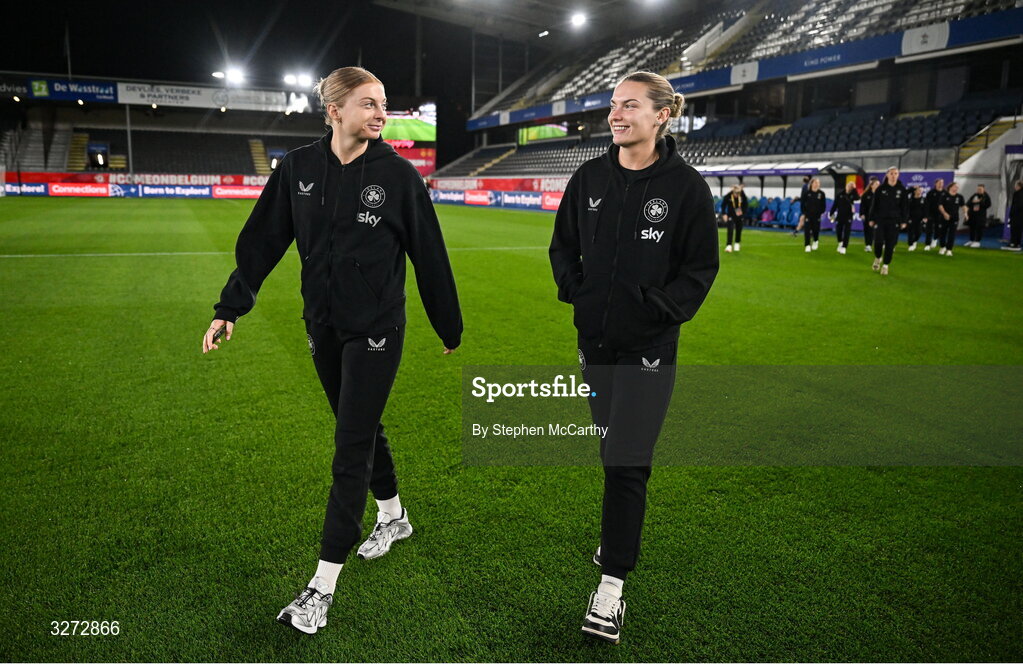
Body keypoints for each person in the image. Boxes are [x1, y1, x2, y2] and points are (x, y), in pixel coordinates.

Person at [201, 66, 462, 635]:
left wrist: (448, 325)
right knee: (361, 427)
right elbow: (261, 243)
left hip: (377, 329)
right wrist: (229, 308)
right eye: (368, 103)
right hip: (321, 326)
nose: (380, 113)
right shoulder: (298, 170)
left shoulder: (397, 177)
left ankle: (321, 586)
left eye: (384, 103)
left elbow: (430, 255)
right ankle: (394, 518)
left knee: (349, 448)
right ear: (334, 109)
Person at [549, 70, 718, 645]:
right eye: (613, 106)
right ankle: (618, 539)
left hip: (648, 348)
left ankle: (612, 586)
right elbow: (561, 244)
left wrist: (659, 308)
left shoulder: (687, 189)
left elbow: (700, 269)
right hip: (594, 343)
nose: (616, 115)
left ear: (662, 115)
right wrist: (578, 290)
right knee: (610, 449)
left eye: (629, 106)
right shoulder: (590, 176)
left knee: (626, 460)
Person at [866, 166, 909, 276]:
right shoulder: (880, 189)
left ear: (898, 175)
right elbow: (874, 205)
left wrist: (904, 221)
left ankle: (885, 265)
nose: (893, 176)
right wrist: (871, 218)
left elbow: (905, 207)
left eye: (895, 173)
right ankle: (878, 257)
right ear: (887, 175)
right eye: (891, 173)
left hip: (894, 221)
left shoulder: (902, 190)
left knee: (890, 244)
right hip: (880, 220)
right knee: (878, 242)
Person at [938, 181, 966, 257]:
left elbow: (963, 206)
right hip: (944, 218)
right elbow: (940, 206)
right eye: (955, 187)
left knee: (952, 234)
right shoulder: (944, 195)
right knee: (942, 233)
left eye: (957, 187)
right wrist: (944, 213)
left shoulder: (959, 197)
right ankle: (942, 247)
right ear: (951, 187)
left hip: (954, 218)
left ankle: (949, 249)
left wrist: (966, 213)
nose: (956, 188)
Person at [829, 181, 858, 254]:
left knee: (847, 232)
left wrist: (854, 189)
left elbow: (858, 197)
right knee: (838, 230)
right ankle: (840, 242)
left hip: (848, 216)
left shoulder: (852, 195)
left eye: (851, 186)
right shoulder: (840, 194)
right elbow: (835, 205)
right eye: (849, 185)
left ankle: (844, 246)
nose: (850, 187)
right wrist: (831, 214)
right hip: (840, 215)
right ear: (846, 186)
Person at [799, 177, 827, 252]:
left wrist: (821, 212)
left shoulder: (821, 194)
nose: (817, 184)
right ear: (811, 183)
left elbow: (823, 205)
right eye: (815, 183)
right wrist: (804, 213)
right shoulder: (807, 193)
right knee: (807, 230)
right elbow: (802, 204)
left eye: (818, 183)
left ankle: (815, 241)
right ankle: (807, 245)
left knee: (816, 230)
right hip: (808, 215)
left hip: (817, 216)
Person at [722, 184, 748, 253]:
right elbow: (723, 205)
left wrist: (743, 213)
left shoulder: (742, 195)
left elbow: (746, 204)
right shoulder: (728, 196)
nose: (737, 194)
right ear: (733, 191)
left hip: (740, 215)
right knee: (730, 229)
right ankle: (729, 245)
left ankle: (737, 243)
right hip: (731, 215)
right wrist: (724, 214)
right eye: (735, 193)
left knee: (739, 229)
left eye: (738, 193)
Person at [923, 178, 945, 251]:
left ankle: (935, 239)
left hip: (941, 215)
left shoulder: (945, 193)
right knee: (929, 230)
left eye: (942, 183)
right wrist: (926, 215)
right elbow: (926, 204)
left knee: (939, 229)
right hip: (931, 214)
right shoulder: (931, 192)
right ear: (935, 184)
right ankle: (927, 244)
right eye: (939, 183)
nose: (940, 184)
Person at [859, 176, 880, 252]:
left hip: (878, 216)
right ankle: (868, 245)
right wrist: (862, 214)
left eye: (878, 184)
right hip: (868, 215)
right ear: (872, 185)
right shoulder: (866, 194)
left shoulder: (881, 194)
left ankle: (881, 244)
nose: (878, 185)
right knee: (868, 230)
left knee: (879, 231)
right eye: (876, 184)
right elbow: (862, 205)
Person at [1006, 180, 1023, 251]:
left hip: (1017, 215)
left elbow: (1018, 205)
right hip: (1019, 215)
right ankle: (1016, 243)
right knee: (1017, 229)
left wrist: (1012, 213)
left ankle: (1015, 243)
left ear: (1018, 186)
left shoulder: (1018, 193)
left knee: (1015, 229)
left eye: (1015, 185)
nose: (1015, 187)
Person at [906, 186, 925, 251]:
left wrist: (925, 217)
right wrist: (907, 218)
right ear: (914, 191)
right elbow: (907, 209)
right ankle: (910, 244)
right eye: (918, 190)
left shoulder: (924, 200)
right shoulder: (910, 200)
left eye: (920, 190)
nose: (919, 191)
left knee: (919, 232)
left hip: (920, 219)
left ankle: (914, 241)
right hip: (911, 218)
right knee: (910, 232)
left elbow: (926, 209)